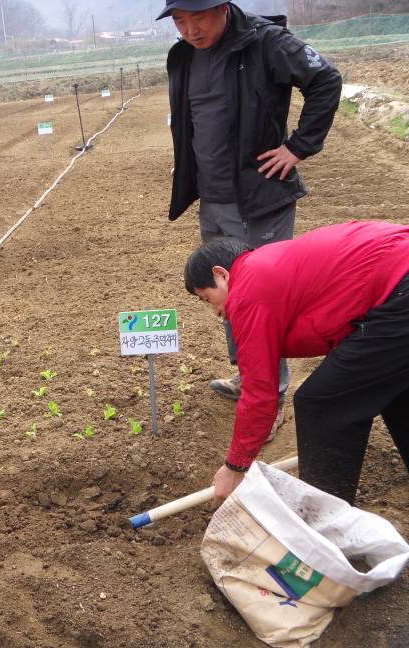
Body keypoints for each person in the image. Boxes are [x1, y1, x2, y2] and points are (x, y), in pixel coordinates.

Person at [158, 0, 342, 431]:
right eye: (180, 21)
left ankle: (272, 395)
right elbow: (193, 119)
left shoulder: (265, 42)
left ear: (222, 7)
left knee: (264, 299)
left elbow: (326, 79)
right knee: (229, 295)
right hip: (213, 198)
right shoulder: (184, 55)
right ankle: (249, 376)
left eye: (198, 17)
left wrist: (298, 147)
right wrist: (188, 163)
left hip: (258, 199)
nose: (190, 30)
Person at [184, 221, 409, 506]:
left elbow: (259, 391)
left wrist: (235, 467)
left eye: (208, 299)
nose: (217, 312)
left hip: (400, 288)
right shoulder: (273, 267)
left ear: (221, 274)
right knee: (391, 389)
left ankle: (328, 523)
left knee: (322, 404)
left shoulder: (248, 289)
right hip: (397, 284)